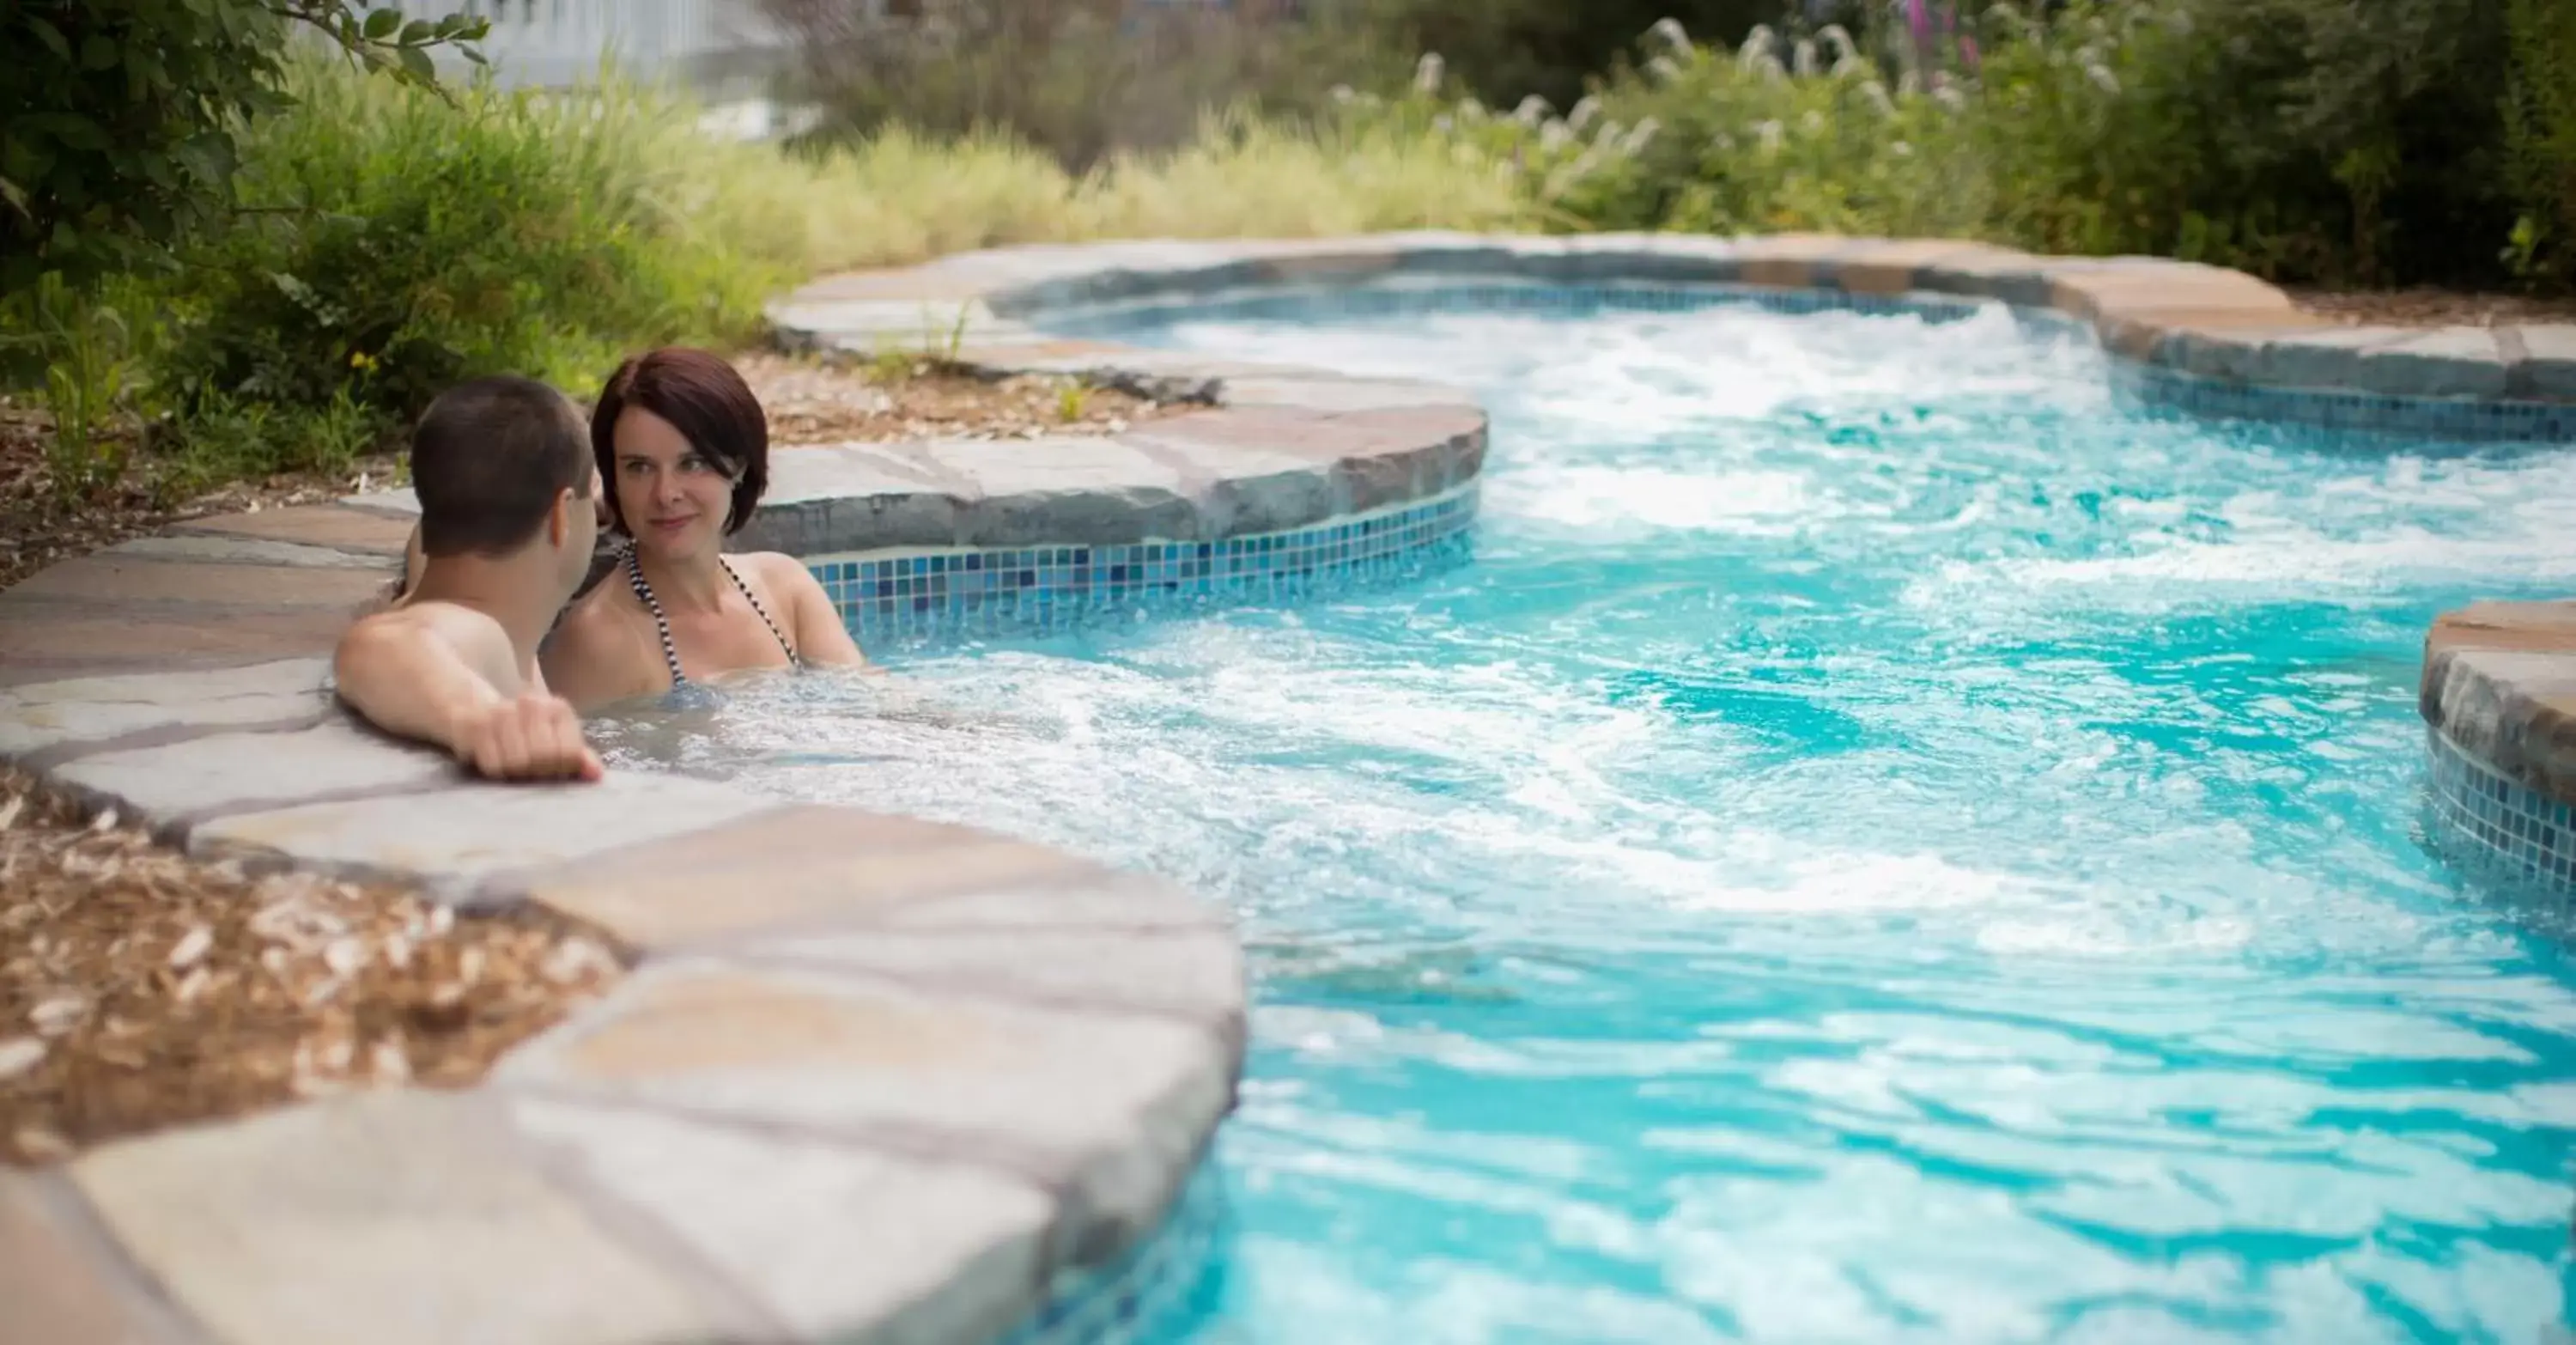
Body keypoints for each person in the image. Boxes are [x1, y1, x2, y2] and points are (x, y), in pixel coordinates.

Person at [540, 346, 866, 709]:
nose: (665, 494)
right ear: (613, 479)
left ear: (739, 467)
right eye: (639, 467)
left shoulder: (786, 590)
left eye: (692, 463)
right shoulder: (597, 642)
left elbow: (874, 713)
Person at [333, 375, 605, 782]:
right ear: (561, 516)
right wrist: (478, 717)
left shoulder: (474, 600)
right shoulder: (479, 634)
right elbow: (383, 642)